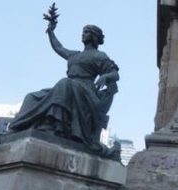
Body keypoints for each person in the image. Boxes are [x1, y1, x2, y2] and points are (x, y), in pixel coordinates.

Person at [10, 7, 119, 157]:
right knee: (32, 96)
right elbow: (58, 47)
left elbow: (115, 74)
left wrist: (106, 77)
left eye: (86, 32)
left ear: (94, 37)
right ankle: (17, 127)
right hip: (68, 88)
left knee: (64, 83)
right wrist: (51, 31)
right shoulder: (74, 55)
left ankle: (54, 126)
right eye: (83, 31)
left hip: (85, 91)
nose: (83, 34)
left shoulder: (100, 56)